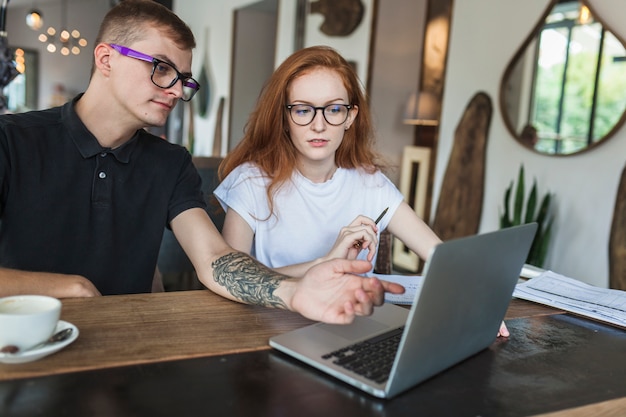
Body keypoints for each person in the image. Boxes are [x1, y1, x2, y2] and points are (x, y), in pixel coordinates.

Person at [0, 0, 403, 325]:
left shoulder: (169, 162)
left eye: (184, 78)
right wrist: (71, 288)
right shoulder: (12, 140)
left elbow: (215, 260)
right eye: (162, 69)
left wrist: (295, 293)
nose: (176, 89)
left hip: (129, 351)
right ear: (105, 59)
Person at [215, 46, 510, 336]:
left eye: (333, 109)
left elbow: (441, 256)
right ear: (284, 118)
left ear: (350, 117)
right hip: (274, 330)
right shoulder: (250, 182)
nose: (319, 125)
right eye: (303, 110)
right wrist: (325, 263)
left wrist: (481, 300)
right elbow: (230, 280)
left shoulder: (370, 182)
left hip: (357, 330)